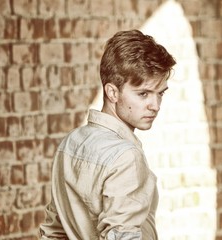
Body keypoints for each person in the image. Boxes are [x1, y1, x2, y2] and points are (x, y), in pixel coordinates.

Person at [39, 29, 176, 240]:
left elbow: (53, 232)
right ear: (112, 92)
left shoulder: (70, 143)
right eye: (143, 94)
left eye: (160, 94)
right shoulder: (126, 156)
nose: (155, 106)